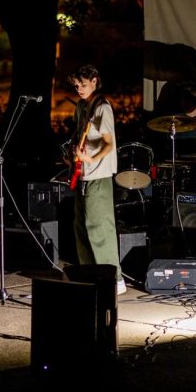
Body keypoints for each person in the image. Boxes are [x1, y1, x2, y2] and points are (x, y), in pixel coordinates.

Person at [67, 64, 126, 296]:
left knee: (99, 226)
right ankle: (90, 273)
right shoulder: (82, 106)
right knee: (80, 225)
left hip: (99, 174)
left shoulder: (102, 107)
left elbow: (110, 143)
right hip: (83, 173)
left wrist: (91, 158)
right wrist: (73, 156)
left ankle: (115, 278)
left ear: (94, 81)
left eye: (83, 84)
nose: (79, 89)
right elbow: (78, 133)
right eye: (76, 85)